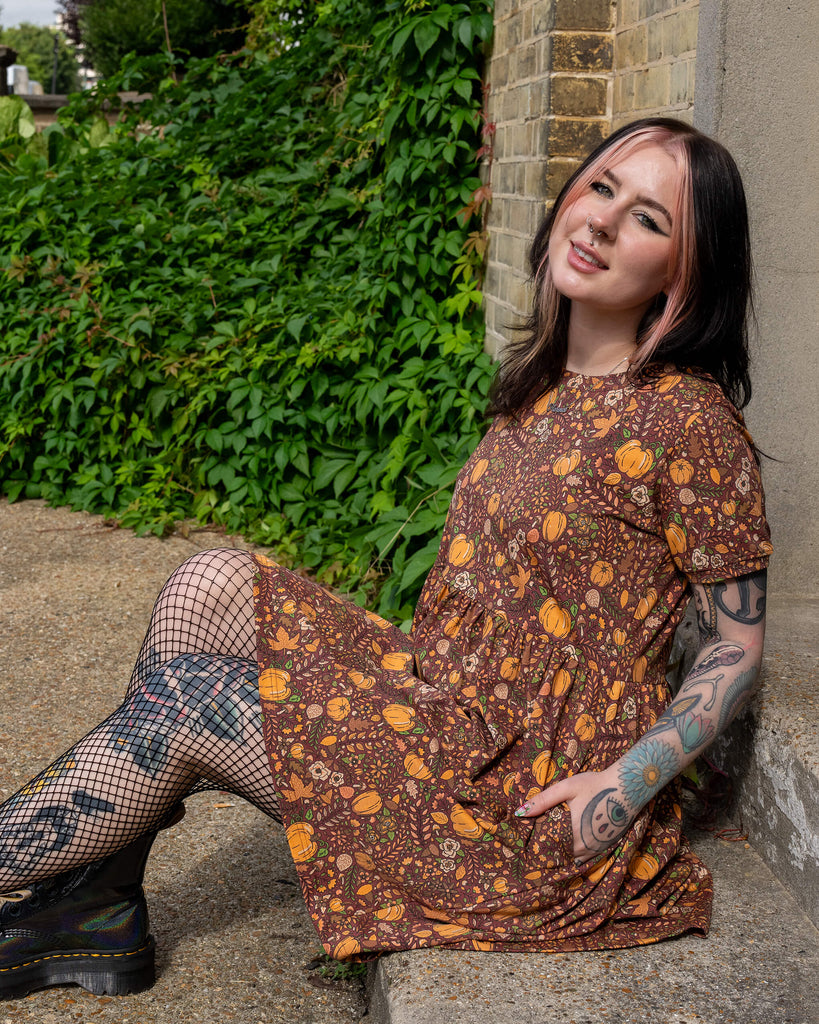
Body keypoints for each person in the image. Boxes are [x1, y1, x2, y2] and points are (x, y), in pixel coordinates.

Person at [0, 117, 771, 999]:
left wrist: (622, 784)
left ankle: (83, 908)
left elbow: (731, 648)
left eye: (647, 219)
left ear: (685, 271)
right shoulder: (545, 380)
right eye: (600, 187)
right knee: (208, 582)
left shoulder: (687, 421)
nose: (599, 221)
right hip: (449, 705)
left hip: (525, 800)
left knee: (185, 705)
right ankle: (93, 904)